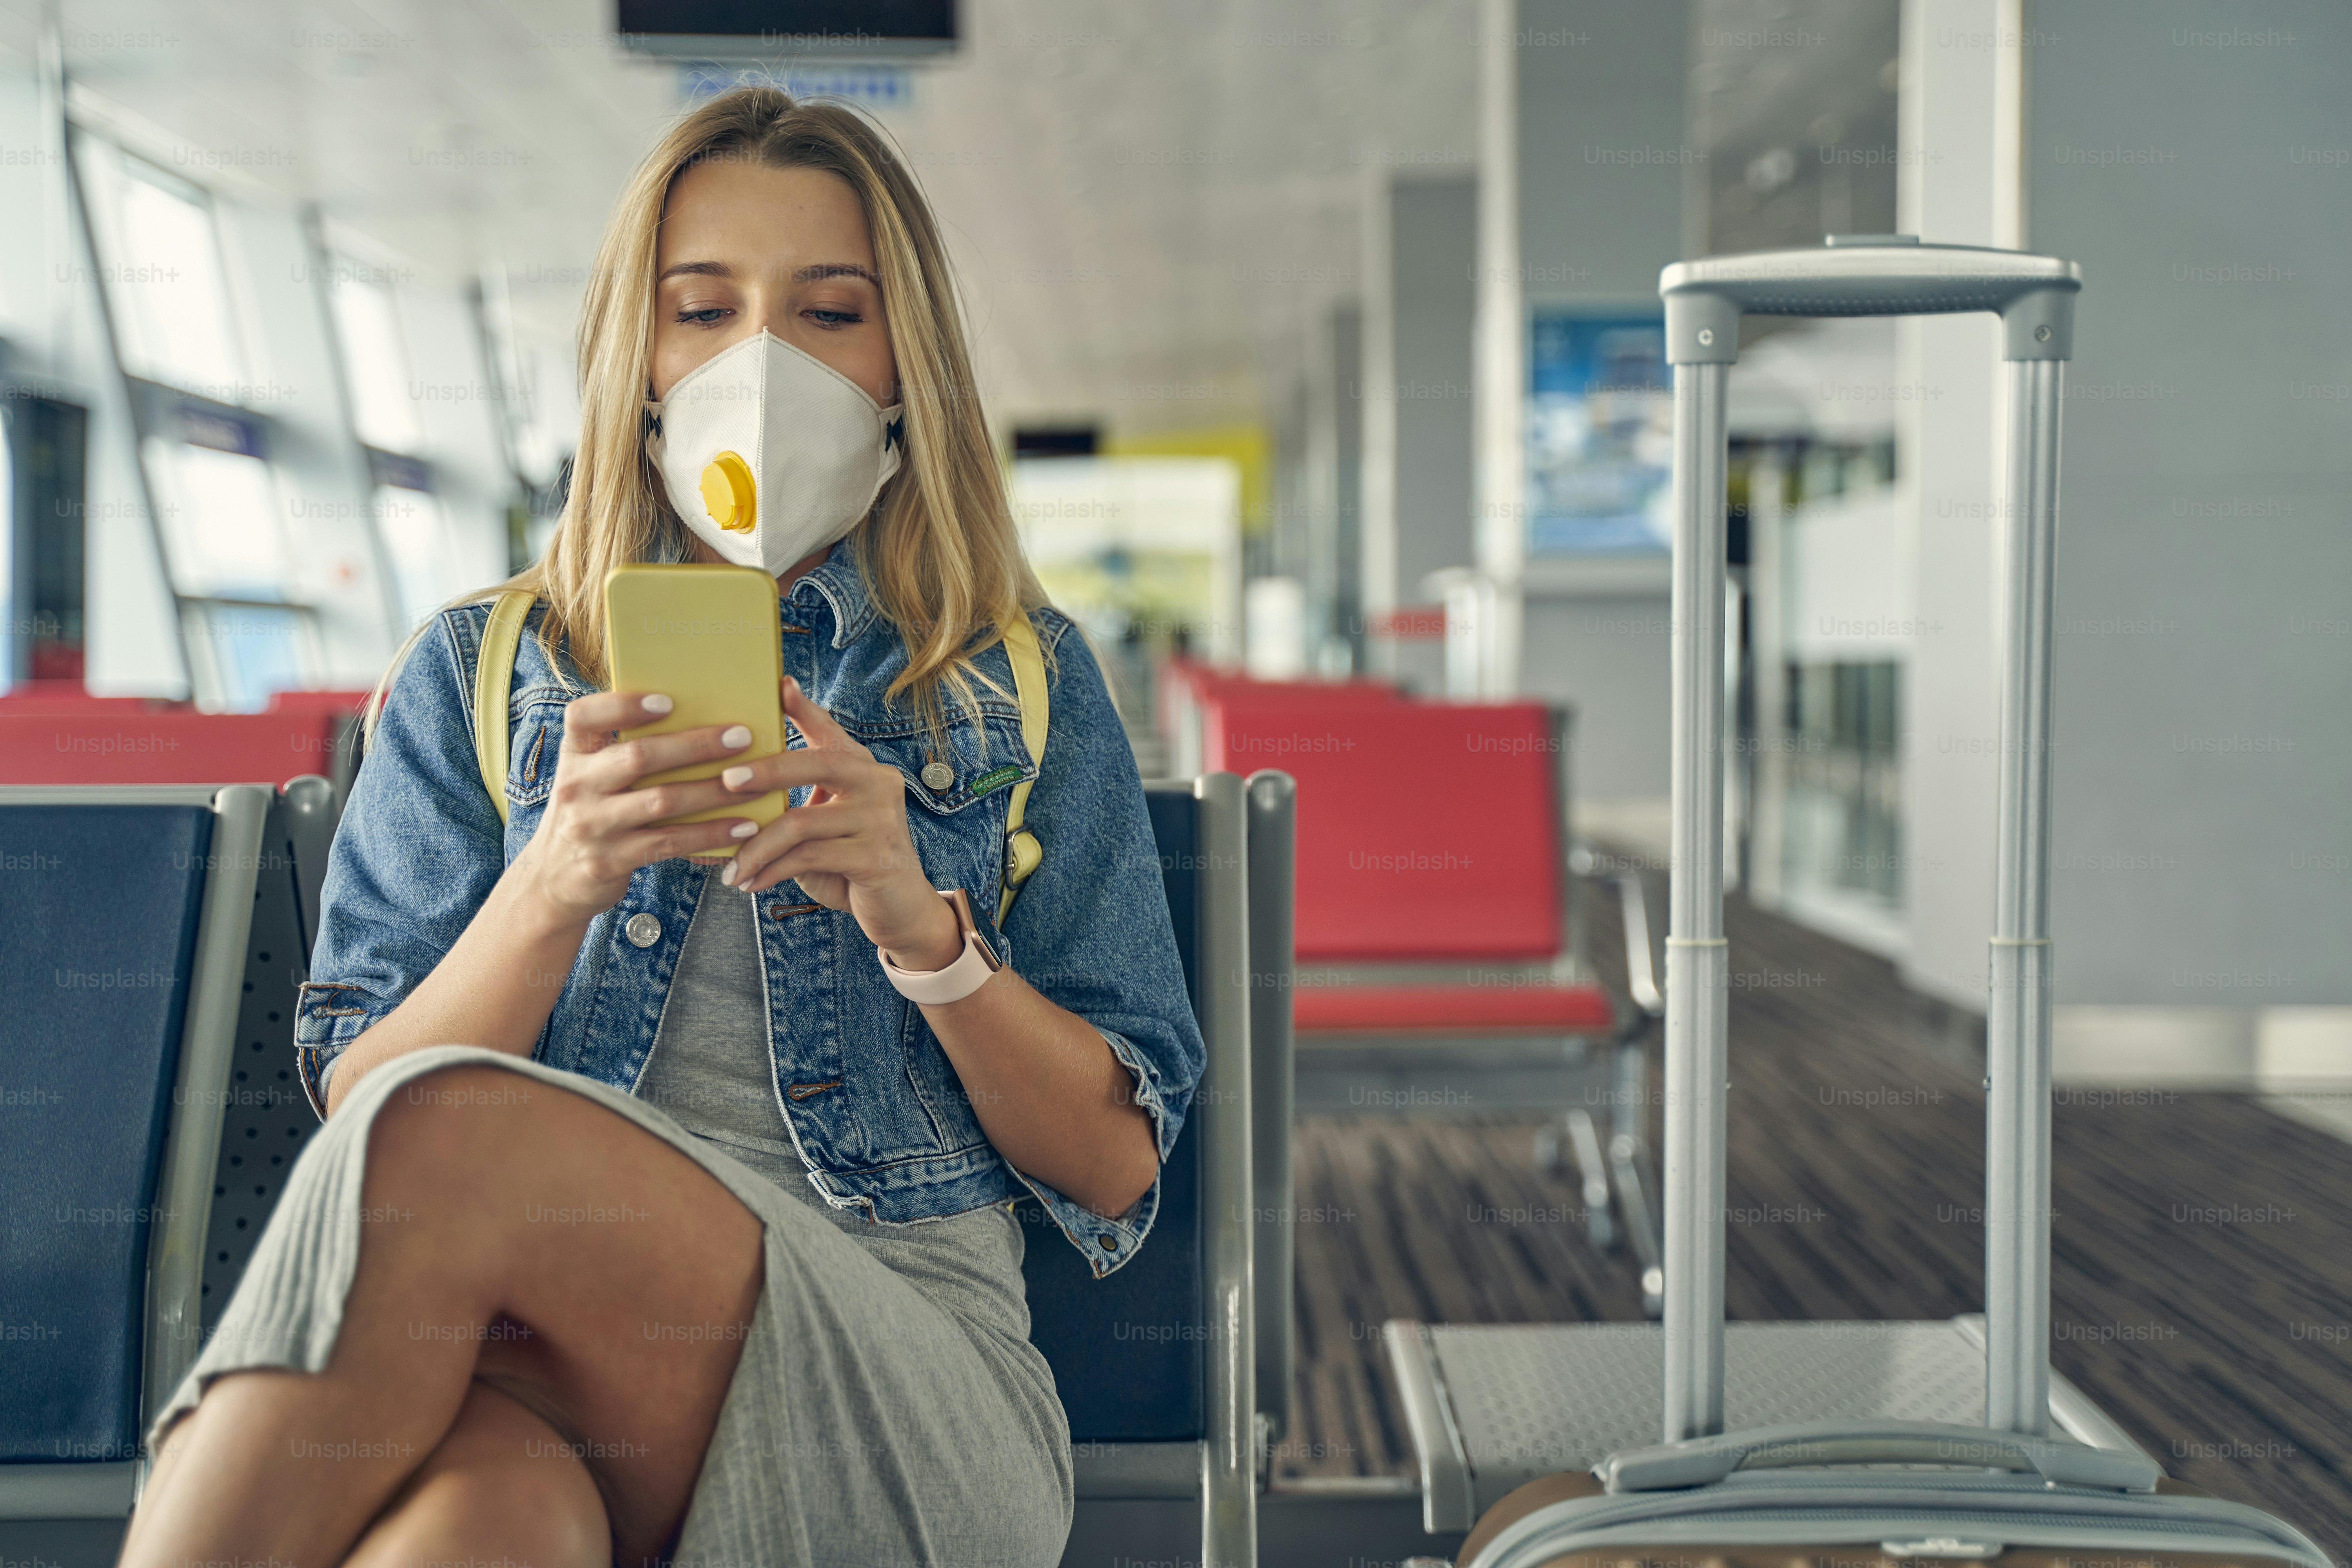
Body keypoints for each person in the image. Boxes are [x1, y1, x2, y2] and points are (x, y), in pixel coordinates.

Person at [118, 87, 1202, 1568]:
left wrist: (926, 934)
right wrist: (553, 881)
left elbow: (1116, 1165)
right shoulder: (473, 672)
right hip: (528, 1361)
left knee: (453, 1135)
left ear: (906, 367)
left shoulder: (1014, 680)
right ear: (639, 362)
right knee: (471, 1534)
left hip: (898, 1367)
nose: (762, 363)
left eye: (829, 313)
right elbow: (357, 1108)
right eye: (704, 312)